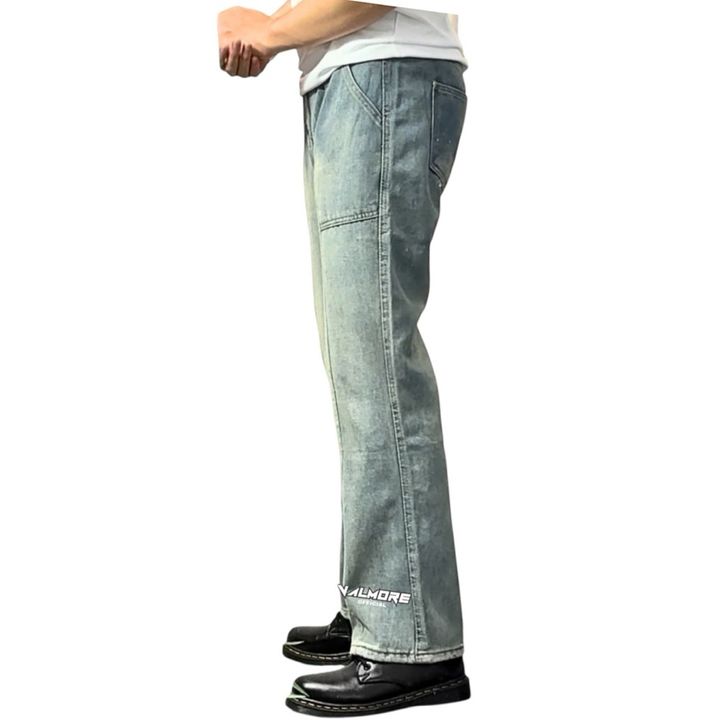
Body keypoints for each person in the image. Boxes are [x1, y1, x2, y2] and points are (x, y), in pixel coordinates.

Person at [218, 1, 469, 716]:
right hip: (357, 81)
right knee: (360, 369)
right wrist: (258, 21)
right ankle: (376, 603)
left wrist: (269, 35)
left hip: (383, 80)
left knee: (378, 372)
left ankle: (411, 639)